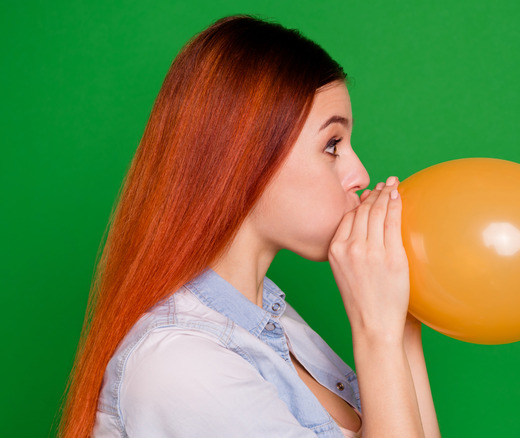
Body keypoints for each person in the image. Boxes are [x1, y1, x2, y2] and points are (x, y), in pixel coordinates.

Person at [59, 15, 440, 438]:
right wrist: (377, 333)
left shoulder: (275, 322)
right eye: (332, 145)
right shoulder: (180, 365)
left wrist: (401, 325)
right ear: (244, 161)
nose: (360, 174)